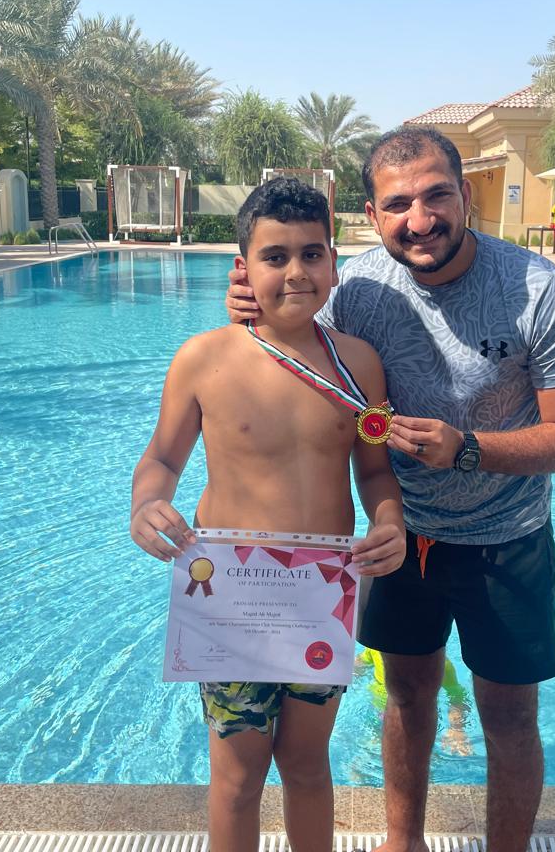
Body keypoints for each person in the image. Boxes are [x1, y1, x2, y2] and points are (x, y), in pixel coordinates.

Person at [228, 127, 555, 852]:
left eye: (437, 196)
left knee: (508, 716)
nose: (421, 219)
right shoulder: (359, 289)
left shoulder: (536, 290)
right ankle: (404, 843)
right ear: (374, 214)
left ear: (465, 195)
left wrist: (467, 449)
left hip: (508, 540)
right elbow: (279, 347)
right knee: (405, 697)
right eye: (399, 203)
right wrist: (248, 295)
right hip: (402, 539)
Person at [131, 177, 407, 852]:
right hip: (230, 598)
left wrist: (389, 521)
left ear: (334, 262)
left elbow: (373, 470)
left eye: (312, 255)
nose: (295, 272)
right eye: (275, 256)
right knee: (237, 774)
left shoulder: (358, 367)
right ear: (244, 268)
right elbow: (162, 458)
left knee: (308, 765)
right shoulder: (204, 360)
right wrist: (145, 504)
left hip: (319, 597)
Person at [354, 648, 472, 756]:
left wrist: (457, 728)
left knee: (422, 754)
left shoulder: (440, 664)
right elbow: (359, 662)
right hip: (379, 712)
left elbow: (456, 695)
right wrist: (353, 674)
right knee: (370, 750)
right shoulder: (378, 649)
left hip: (418, 717)